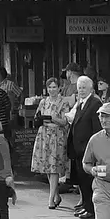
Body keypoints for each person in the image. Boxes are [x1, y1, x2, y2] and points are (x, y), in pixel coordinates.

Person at [32, 75, 74, 209]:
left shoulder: (64, 102)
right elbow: (37, 118)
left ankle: (50, 199)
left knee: (54, 167)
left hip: (57, 136)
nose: (52, 90)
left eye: (54, 87)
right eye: (49, 87)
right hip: (44, 134)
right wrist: (39, 119)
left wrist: (53, 118)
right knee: (47, 168)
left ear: (59, 88)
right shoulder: (43, 102)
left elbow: (65, 122)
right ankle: (56, 195)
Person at [66, 75, 102, 219]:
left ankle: (91, 209)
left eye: (84, 88)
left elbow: (97, 128)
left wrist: (94, 149)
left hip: (88, 148)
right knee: (82, 180)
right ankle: (86, 206)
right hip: (78, 149)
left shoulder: (95, 103)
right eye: (79, 88)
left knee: (88, 180)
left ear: (91, 89)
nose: (81, 90)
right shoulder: (80, 104)